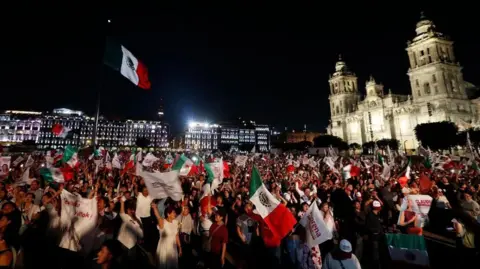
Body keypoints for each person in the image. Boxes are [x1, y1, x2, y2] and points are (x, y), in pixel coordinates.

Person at [152, 204, 181, 269]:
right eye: (173, 212)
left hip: (173, 249)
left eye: (175, 212)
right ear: (168, 214)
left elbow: (176, 235)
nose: (175, 214)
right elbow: (158, 217)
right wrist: (155, 208)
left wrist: (180, 247)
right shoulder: (163, 222)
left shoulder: (176, 222)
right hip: (164, 248)